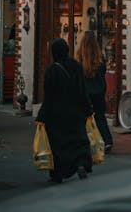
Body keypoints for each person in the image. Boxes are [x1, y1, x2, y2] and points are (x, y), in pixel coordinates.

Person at [37, 37, 93, 184]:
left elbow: (48, 96)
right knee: (77, 140)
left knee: (58, 145)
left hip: (57, 115)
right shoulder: (77, 66)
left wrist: (42, 116)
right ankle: (80, 163)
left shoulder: (52, 70)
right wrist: (88, 109)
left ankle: (58, 174)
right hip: (76, 112)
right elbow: (83, 90)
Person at [77, 30, 113, 151]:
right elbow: (103, 72)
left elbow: (78, 76)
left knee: (83, 117)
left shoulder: (80, 58)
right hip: (98, 91)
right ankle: (107, 141)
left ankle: (84, 142)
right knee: (100, 117)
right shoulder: (100, 58)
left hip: (85, 92)